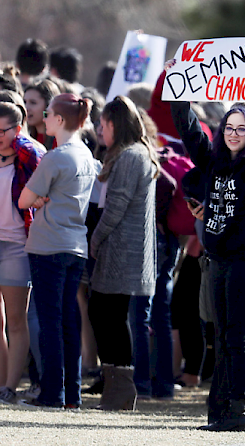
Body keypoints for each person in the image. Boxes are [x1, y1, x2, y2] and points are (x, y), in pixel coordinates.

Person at [171, 59, 245, 432]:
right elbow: (187, 130)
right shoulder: (212, 160)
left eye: (241, 129)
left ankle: (238, 413)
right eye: (229, 128)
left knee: (236, 335)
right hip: (218, 257)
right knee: (225, 336)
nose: (234, 134)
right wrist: (179, 84)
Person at [17, 93, 102, 409]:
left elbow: (25, 199)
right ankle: (71, 393)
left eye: (49, 113)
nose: (44, 117)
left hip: (48, 244)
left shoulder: (56, 156)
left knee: (50, 322)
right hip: (75, 245)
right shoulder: (84, 154)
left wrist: (39, 198)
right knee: (68, 320)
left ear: (61, 120)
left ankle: (53, 393)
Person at [87, 96, 160, 410]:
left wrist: (95, 239)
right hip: (119, 248)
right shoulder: (130, 154)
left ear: (116, 124)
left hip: (122, 249)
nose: (100, 130)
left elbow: (115, 206)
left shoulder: (132, 156)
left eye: (103, 124)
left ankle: (121, 389)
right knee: (105, 314)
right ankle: (114, 385)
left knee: (111, 316)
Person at [0, 102, 45, 404]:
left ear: (17, 130)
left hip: (17, 245)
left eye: (2, 131)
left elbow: (45, 192)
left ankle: (10, 387)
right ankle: (1, 383)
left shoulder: (29, 157)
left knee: (16, 320)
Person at [24, 79, 60, 150]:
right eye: (24, 102)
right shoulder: (24, 139)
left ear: (49, 105)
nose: (26, 108)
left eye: (33, 102)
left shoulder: (60, 141)